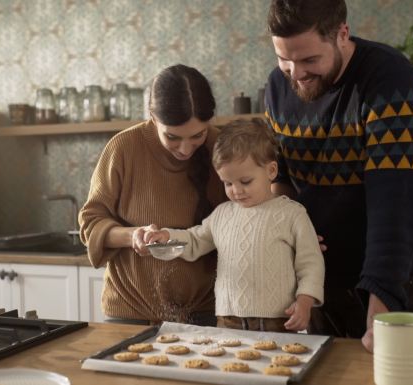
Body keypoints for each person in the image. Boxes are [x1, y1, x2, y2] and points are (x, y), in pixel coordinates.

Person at [265, 0, 413, 351]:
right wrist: (294, 233)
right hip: (319, 275)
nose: (296, 74)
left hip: (389, 268)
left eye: (310, 60)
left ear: (342, 34)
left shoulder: (387, 75)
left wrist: (379, 309)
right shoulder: (278, 87)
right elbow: (281, 177)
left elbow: (395, 203)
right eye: (284, 59)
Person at [142, 118, 325, 332]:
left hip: (279, 320)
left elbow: (311, 264)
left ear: (271, 171)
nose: (236, 191)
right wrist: (167, 236)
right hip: (228, 320)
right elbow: (195, 240)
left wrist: (304, 303)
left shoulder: (292, 214)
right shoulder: (221, 214)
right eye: (228, 183)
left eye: (245, 181)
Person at [78, 64, 227, 326]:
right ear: (152, 117)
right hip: (129, 312)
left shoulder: (223, 147)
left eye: (197, 136)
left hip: (208, 311)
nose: (185, 149)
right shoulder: (123, 148)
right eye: (173, 137)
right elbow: (91, 223)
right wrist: (132, 236)